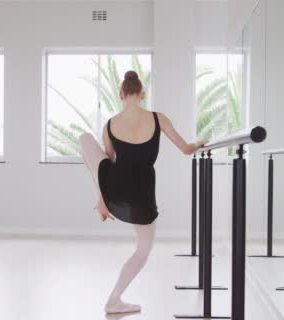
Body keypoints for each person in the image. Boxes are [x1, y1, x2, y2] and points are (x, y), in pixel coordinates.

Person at [79, 70, 207, 314]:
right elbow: (186, 149)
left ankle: (102, 200)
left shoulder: (110, 124)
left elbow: (108, 160)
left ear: (120, 94)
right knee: (143, 249)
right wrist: (199, 143)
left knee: (84, 139)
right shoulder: (158, 119)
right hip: (143, 194)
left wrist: (102, 195)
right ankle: (114, 299)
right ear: (142, 94)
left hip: (115, 187)